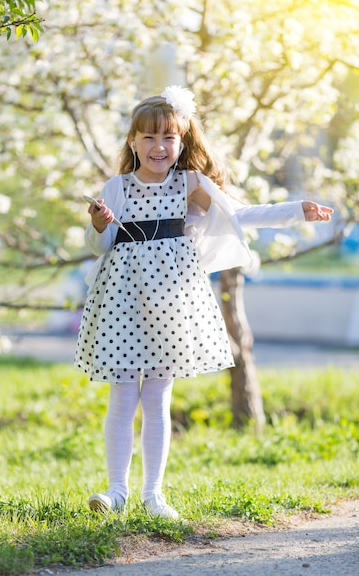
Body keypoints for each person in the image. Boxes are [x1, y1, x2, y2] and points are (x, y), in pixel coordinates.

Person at [74, 86, 333, 519]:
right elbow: (101, 245)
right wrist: (98, 224)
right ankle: (115, 490)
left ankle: (153, 495)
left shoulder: (189, 183)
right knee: (122, 397)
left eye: (169, 138)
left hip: (171, 302)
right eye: (149, 138)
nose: (159, 147)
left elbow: (239, 213)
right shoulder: (117, 186)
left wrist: (295, 210)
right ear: (133, 142)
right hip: (123, 302)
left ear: (182, 140)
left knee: (156, 398)